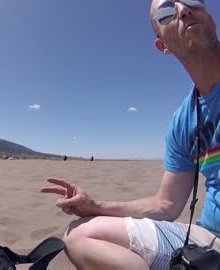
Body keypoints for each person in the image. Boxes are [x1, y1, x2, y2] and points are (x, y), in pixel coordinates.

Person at [41, 1, 220, 269]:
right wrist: (94, 205)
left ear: (210, 16)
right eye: (166, 12)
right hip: (209, 237)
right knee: (79, 234)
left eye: (193, 0)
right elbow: (166, 205)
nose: (183, 10)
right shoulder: (183, 122)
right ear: (163, 45)